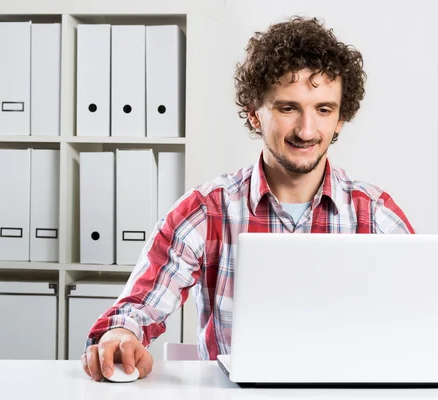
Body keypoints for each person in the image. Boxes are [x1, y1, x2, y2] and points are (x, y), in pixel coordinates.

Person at [82, 15, 415, 381]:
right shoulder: (206, 210)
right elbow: (138, 307)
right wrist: (122, 333)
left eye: (323, 109)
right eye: (288, 108)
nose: (307, 130)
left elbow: (424, 317)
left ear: (340, 119)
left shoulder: (375, 214)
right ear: (255, 114)